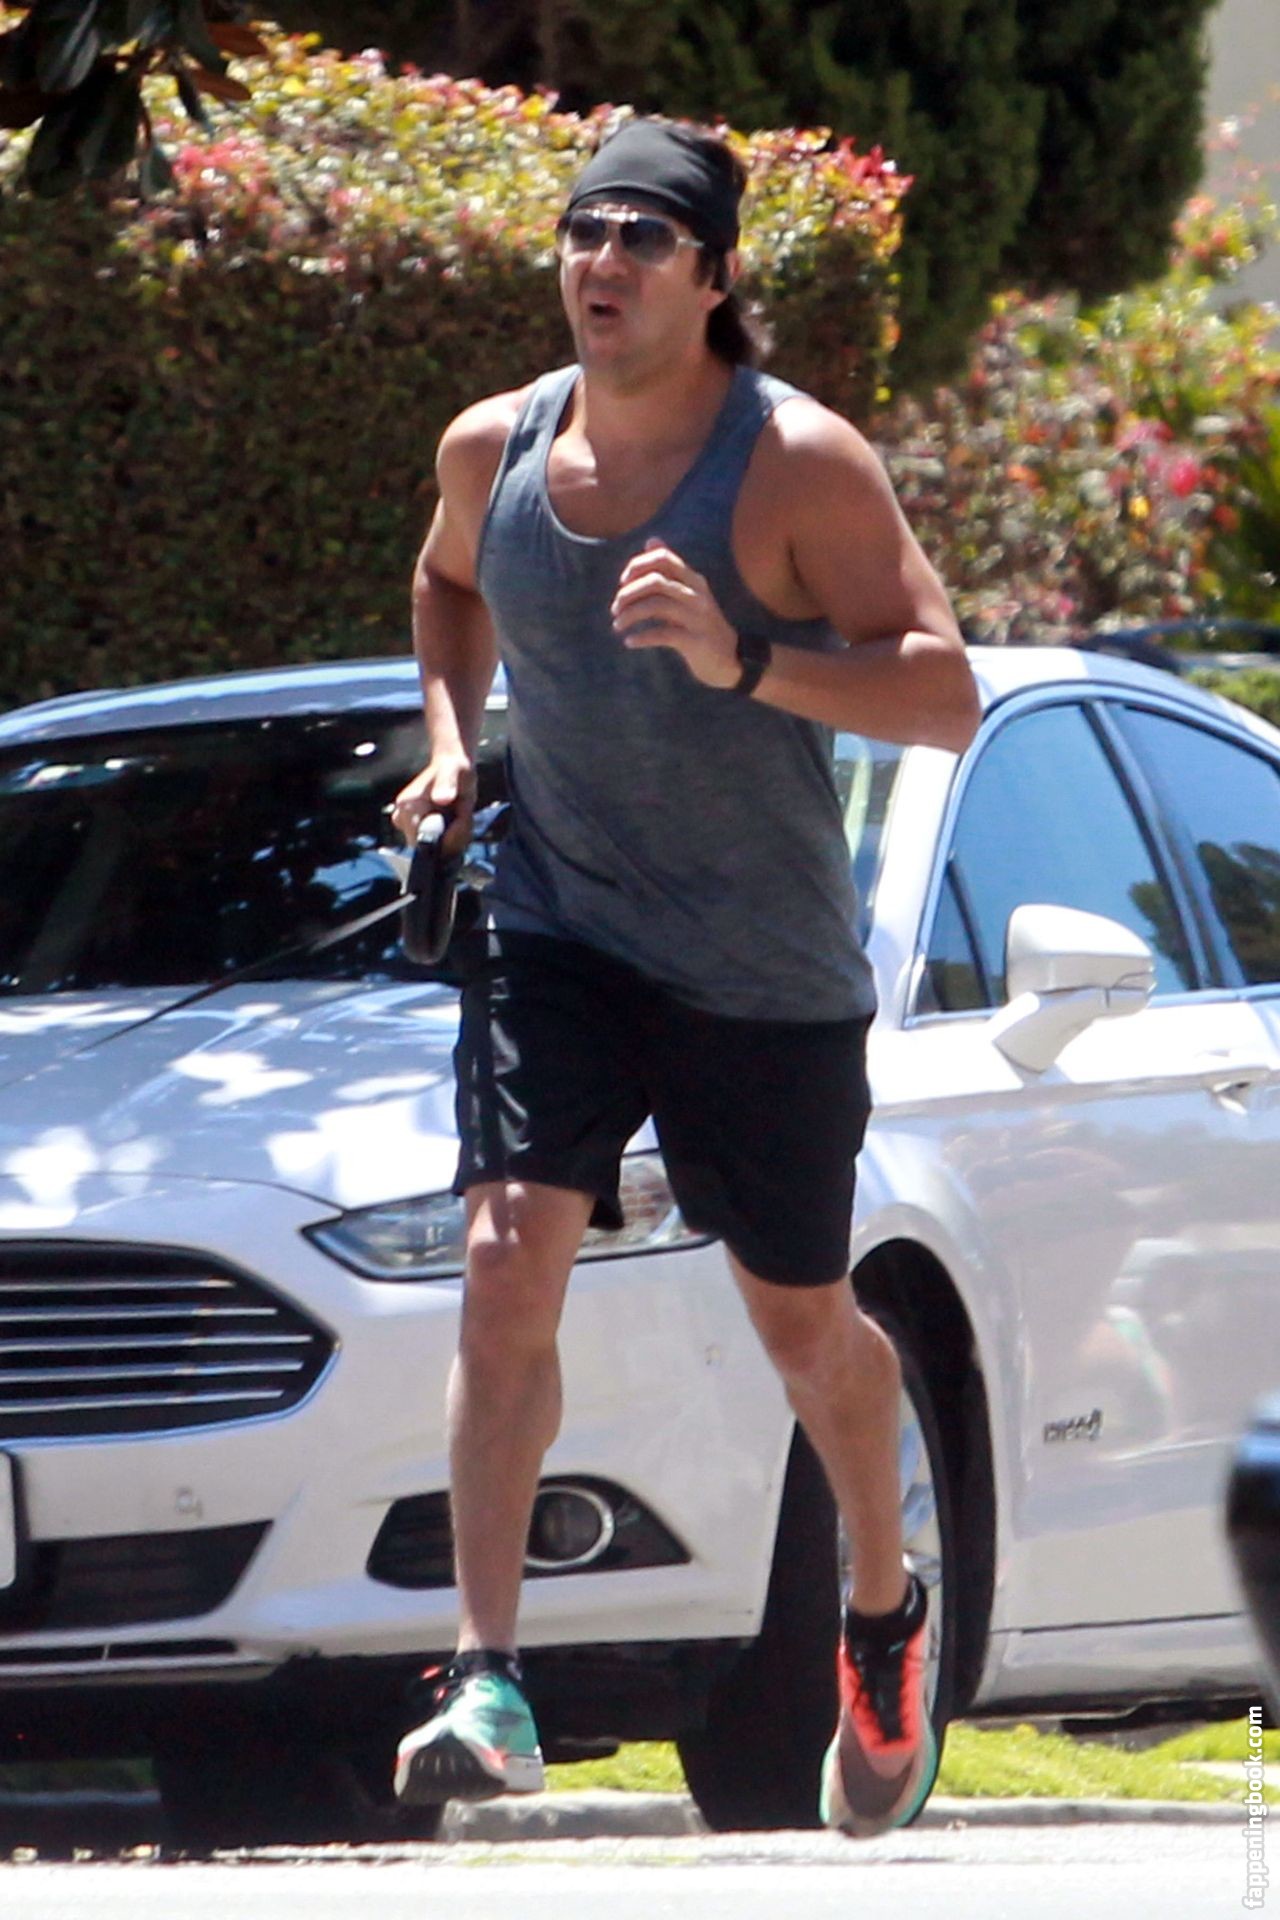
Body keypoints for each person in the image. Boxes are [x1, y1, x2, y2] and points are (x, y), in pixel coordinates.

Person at [388, 116, 980, 1837]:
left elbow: (941, 692)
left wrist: (746, 660)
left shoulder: (796, 463)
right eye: (585, 230)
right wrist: (453, 745)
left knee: (802, 1322)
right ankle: (487, 1675)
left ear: (715, 278)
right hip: (559, 927)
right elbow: (444, 589)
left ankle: (881, 1612)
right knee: (506, 1256)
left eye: (645, 236)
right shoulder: (494, 447)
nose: (605, 262)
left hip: (758, 968)